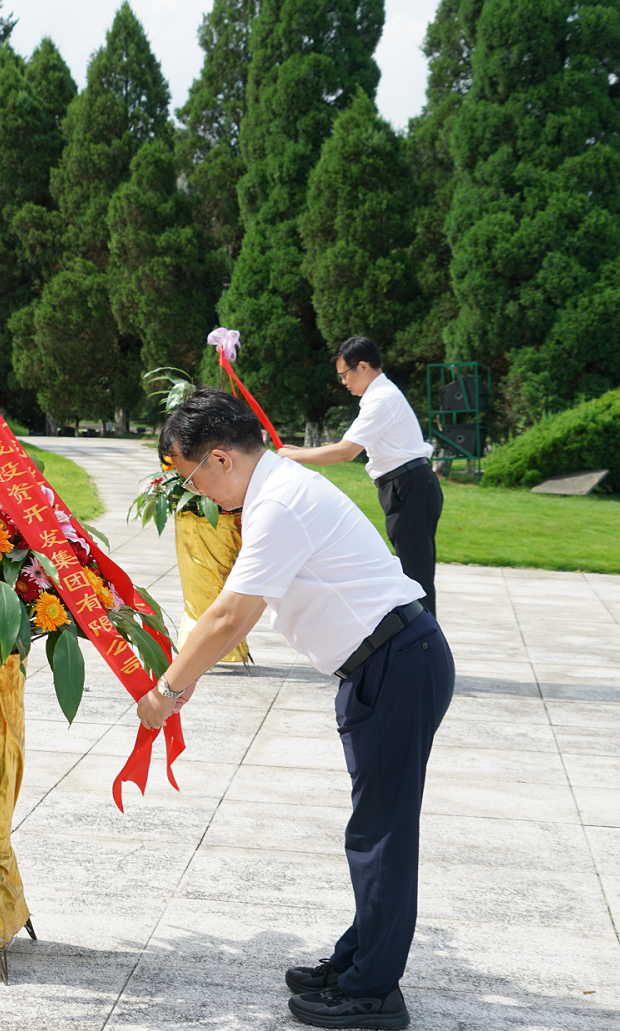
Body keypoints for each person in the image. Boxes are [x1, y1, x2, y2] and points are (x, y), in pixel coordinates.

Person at [138, 388, 455, 1030]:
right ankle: (357, 960)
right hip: (387, 661)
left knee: (382, 834)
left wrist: (167, 690)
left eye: (191, 478)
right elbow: (236, 610)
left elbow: (231, 615)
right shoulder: (276, 489)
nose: (198, 494)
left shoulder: (279, 503)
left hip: (395, 663)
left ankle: (373, 993)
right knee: (375, 828)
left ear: (221, 458)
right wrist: (185, 677)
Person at [277, 336, 443, 617]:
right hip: (407, 485)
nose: (343, 382)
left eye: (344, 374)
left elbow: (346, 451)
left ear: (363, 367)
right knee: (413, 571)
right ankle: (423, 635)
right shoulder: (380, 396)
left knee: (416, 576)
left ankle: (426, 639)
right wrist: (300, 451)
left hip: (409, 486)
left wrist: (294, 456)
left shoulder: (382, 399)